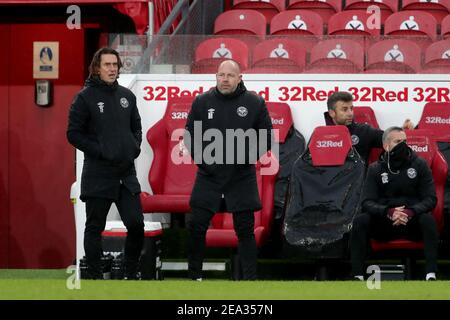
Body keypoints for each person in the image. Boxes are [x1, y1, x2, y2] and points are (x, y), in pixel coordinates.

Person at [184, 59, 273, 281]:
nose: (225, 79)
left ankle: (249, 281)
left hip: (241, 175)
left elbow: (265, 138)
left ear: (240, 78)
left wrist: (243, 159)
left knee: (245, 229)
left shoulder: (255, 103)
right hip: (209, 174)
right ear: (216, 77)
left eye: (230, 75)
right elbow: (190, 137)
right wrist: (207, 162)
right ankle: (194, 277)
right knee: (196, 226)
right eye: (221, 75)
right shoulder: (202, 102)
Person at [67, 47, 144, 280]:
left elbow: (137, 128)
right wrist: (101, 151)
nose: (112, 69)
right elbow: (73, 134)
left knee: (136, 224)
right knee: (94, 228)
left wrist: (133, 146)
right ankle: (95, 277)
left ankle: (131, 273)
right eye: (107, 65)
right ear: (97, 68)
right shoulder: (84, 97)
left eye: (115, 65)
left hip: (126, 174)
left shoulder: (127, 96)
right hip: (99, 173)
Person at [350, 126, 439, 280]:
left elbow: (430, 199)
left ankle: (431, 273)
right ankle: (357, 275)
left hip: (412, 222)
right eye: (398, 141)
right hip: (385, 223)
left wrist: (410, 212)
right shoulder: (375, 169)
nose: (404, 145)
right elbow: (366, 202)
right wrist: (388, 212)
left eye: (405, 141)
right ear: (386, 146)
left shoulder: (420, 164)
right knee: (360, 221)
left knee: (428, 220)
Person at [324, 91, 414, 164]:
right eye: (345, 109)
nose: (350, 113)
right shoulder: (321, 136)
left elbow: (389, 138)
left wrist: (402, 130)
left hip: (359, 184)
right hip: (331, 184)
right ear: (332, 113)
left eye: (351, 108)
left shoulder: (364, 131)